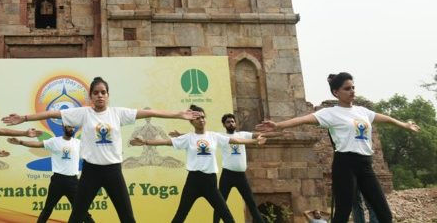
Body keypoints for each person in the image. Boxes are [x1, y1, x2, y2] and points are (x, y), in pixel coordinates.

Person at [3, 76, 201, 223]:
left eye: (103, 92)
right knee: (77, 217)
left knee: (127, 218)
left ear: (108, 95)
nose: (100, 95)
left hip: (113, 171)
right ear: (90, 96)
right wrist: (25, 118)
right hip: (91, 172)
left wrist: (177, 114)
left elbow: (150, 112)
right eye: (96, 92)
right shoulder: (83, 114)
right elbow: (54, 112)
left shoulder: (118, 114)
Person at [256, 72, 420, 223]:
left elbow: (384, 118)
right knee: (343, 212)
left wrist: (404, 125)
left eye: (353, 87)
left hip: (365, 165)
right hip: (345, 164)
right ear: (336, 92)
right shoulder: (330, 113)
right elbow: (303, 120)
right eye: (347, 88)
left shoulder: (363, 112)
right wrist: (278, 125)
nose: (352, 91)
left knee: (384, 213)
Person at [130, 105, 264, 223]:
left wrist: (254, 141)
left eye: (203, 117)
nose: (201, 120)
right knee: (180, 216)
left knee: (227, 216)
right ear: (192, 122)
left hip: (210, 182)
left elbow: (235, 140)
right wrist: (145, 142)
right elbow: (166, 142)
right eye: (198, 118)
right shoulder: (188, 138)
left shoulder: (213, 136)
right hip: (193, 182)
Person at [6, 125, 95, 223]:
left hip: (73, 182)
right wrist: (20, 142)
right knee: (47, 209)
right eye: (69, 127)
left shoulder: (79, 143)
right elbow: (37, 144)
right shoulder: (54, 141)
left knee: (81, 210)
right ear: (63, 127)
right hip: (58, 181)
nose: (71, 129)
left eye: (73, 127)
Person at [213, 113, 283, 223]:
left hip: (241, 176)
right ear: (224, 124)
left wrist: (280, 133)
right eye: (228, 122)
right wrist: (179, 135)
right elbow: (201, 136)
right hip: (227, 175)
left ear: (235, 123)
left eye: (232, 121)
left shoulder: (243, 135)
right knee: (220, 203)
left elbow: (261, 135)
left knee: (251, 203)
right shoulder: (221, 136)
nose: (231, 123)